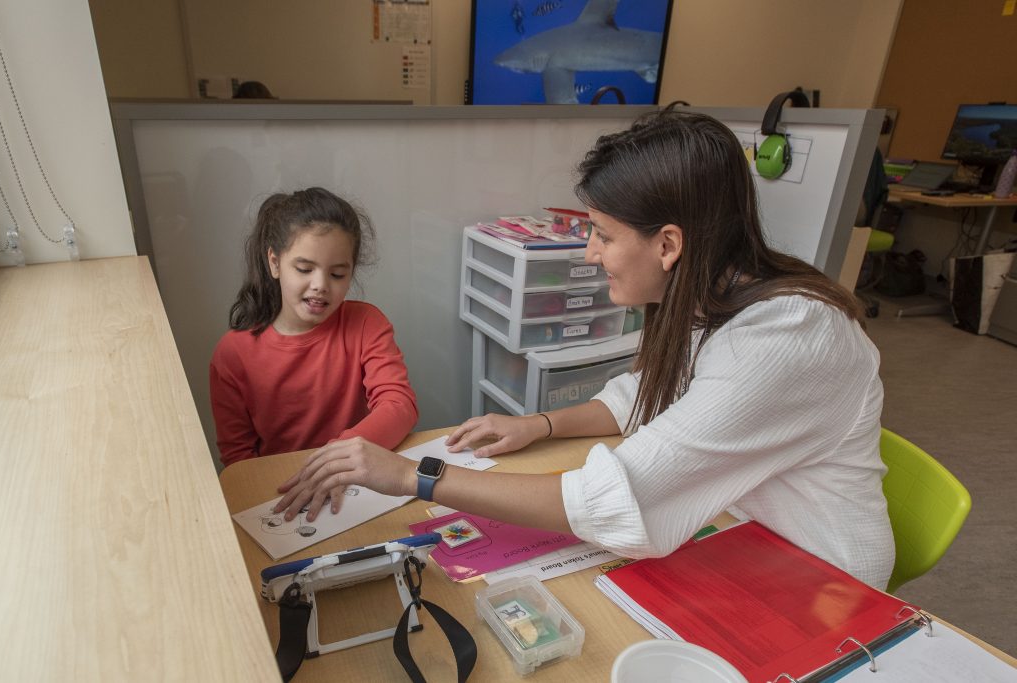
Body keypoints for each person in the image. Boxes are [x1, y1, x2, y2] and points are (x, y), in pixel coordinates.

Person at [272, 109, 894, 589]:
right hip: (734, 536)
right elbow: (643, 398)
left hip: (816, 584)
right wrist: (538, 425)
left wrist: (413, 474)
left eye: (601, 234)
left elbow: (610, 496)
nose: (590, 254)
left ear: (669, 245)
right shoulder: (712, 297)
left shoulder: (786, 339)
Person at [209, 187, 418, 483]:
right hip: (281, 490)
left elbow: (399, 405)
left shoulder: (366, 323)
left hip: (354, 478)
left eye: (337, 275)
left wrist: (333, 460)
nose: (320, 285)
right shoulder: (232, 354)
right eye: (305, 269)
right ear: (274, 263)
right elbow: (238, 460)